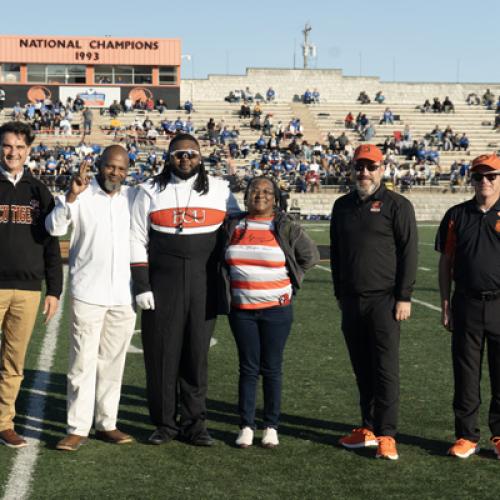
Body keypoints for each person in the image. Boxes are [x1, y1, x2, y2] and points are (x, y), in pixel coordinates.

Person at [130, 133, 239, 446]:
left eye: (191, 154)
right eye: (178, 154)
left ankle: (195, 425)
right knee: (162, 355)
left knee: (195, 355)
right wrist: (142, 284)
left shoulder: (220, 190)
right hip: (163, 283)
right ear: (168, 157)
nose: (185, 159)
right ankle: (164, 424)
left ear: (200, 157)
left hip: (204, 282)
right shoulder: (149, 189)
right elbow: (136, 237)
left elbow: (233, 232)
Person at [45, 145, 137, 451]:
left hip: (124, 295)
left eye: (122, 169)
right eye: (111, 167)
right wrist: (70, 197)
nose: (116, 173)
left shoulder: (132, 198)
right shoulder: (80, 194)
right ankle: (77, 427)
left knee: (113, 363)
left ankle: (106, 422)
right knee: (82, 364)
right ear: (99, 165)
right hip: (87, 292)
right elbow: (54, 227)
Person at [330, 144, 418, 460]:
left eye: (371, 167)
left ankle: (387, 434)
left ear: (382, 169)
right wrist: (339, 293)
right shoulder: (342, 206)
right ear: (352, 169)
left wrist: (404, 297)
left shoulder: (397, 205)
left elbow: (409, 253)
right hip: (352, 301)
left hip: (384, 300)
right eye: (359, 167)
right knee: (362, 368)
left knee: (385, 370)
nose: (364, 173)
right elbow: (337, 254)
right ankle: (367, 428)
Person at [219, 176, 319, 448]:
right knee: (248, 368)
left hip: (276, 311)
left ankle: (271, 425)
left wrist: (289, 280)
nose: (259, 195)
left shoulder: (284, 226)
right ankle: (246, 425)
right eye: (254, 190)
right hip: (242, 310)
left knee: (272, 368)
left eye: (266, 191)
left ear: (275, 198)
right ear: (246, 196)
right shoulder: (233, 225)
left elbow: (310, 257)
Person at [0, 121, 62, 448]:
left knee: (14, 362)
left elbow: (51, 243)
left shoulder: (39, 191)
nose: (14, 152)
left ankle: (4, 422)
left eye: (20, 148)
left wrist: (54, 290)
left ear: (29, 151)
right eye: (8, 146)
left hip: (27, 290)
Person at [435, 153, 500, 459]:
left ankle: (499, 435)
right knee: (466, 373)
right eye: (478, 176)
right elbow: (446, 261)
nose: (484, 182)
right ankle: (466, 436)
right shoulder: (456, 215)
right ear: (471, 179)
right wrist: (445, 302)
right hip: (466, 303)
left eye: (491, 176)